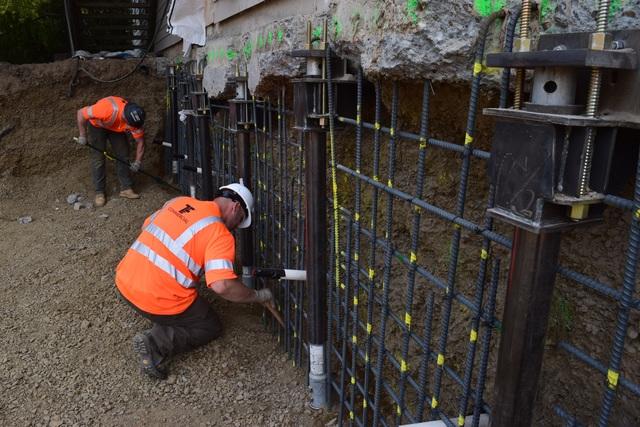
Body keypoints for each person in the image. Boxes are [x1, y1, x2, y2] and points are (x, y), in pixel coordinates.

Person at [115, 182, 276, 379]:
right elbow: (222, 285)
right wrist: (257, 295)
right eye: (240, 219)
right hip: (153, 298)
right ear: (235, 208)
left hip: (125, 281)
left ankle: (158, 316)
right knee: (209, 326)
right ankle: (156, 342)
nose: (236, 226)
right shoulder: (220, 233)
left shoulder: (179, 202)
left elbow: (147, 226)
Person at [76, 96, 146, 207]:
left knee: (123, 154)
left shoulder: (135, 120)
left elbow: (140, 142)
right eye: (130, 126)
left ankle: (126, 188)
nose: (132, 129)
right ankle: (99, 192)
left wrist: (137, 162)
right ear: (124, 117)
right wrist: (82, 135)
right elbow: (80, 113)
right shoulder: (105, 109)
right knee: (98, 158)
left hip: (116, 128)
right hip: (98, 125)